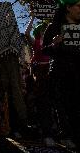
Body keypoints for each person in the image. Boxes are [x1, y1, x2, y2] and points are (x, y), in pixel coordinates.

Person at [43, 0, 80, 150]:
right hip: (63, 75)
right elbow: (45, 50)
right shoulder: (54, 27)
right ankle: (69, 137)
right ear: (68, 8)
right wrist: (54, 44)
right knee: (68, 110)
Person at [24, 16, 54, 146]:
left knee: (51, 98)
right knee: (40, 98)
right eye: (42, 30)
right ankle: (39, 126)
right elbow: (26, 33)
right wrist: (32, 17)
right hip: (38, 71)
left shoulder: (50, 41)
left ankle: (52, 128)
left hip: (50, 70)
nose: (44, 31)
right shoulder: (35, 41)